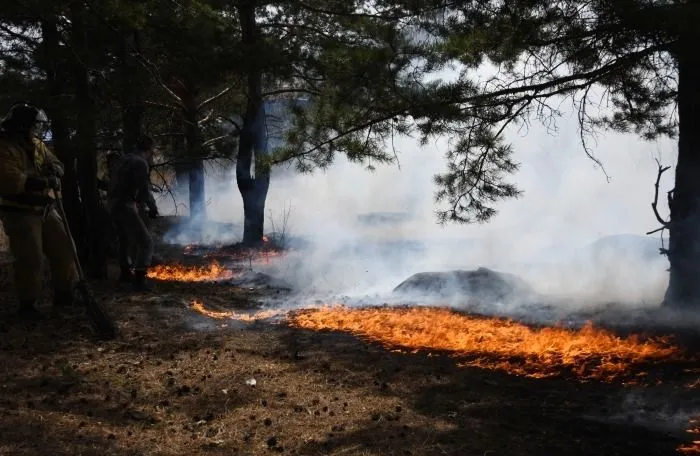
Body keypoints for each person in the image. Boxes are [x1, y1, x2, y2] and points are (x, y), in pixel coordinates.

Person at [0, 102, 78, 318]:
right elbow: (9, 179)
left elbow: (56, 163)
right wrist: (40, 182)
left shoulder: (37, 145)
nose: (37, 130)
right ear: (23, 125)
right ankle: (28, 304)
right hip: (20, 211)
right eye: (34, 126)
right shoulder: (4, 147)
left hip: (44, 208)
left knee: (65, 248)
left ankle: (65, 293)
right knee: (31, 258)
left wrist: (56, 169)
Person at [108, 135, 159, 291]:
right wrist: (152, 207)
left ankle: (125, 273)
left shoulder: (124, 159)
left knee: (124, 239)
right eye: (152, 151)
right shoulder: (140, 163)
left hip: (111, 203)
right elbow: (144, 187)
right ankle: (139, 280)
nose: (152, 154)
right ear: (149, 149)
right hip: (125, 204)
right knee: (146, 242)